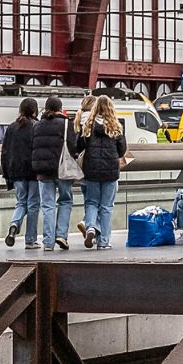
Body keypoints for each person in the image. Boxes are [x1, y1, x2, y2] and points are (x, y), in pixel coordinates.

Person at [71, 95, 129, 249]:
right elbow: (122, 150)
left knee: (91, 202)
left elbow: (78, 146)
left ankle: (90, 227)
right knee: (106, 207)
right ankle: (103, 242)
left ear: (95, 108)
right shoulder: (116, 126)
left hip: (92, 170)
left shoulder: (88, 126)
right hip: (110, 172)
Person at [28, 96, 76, 250]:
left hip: (42, 171)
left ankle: (48, 243)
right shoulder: (66, 124)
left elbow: (32, 147)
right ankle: (61, 235)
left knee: (47, 206)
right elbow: (73, 146)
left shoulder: (37, 125)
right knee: (65, 201)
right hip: (62, 170)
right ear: (60, 109)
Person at [1, 98, 41, 249]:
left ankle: (14, 224)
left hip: (16, 171)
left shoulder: (11, 128)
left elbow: (5, 152)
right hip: (34, 171)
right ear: (34, 110)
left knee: (21, 202)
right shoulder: (37, 126)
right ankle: (30, 240)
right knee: (33, 205)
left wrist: (7, 174)